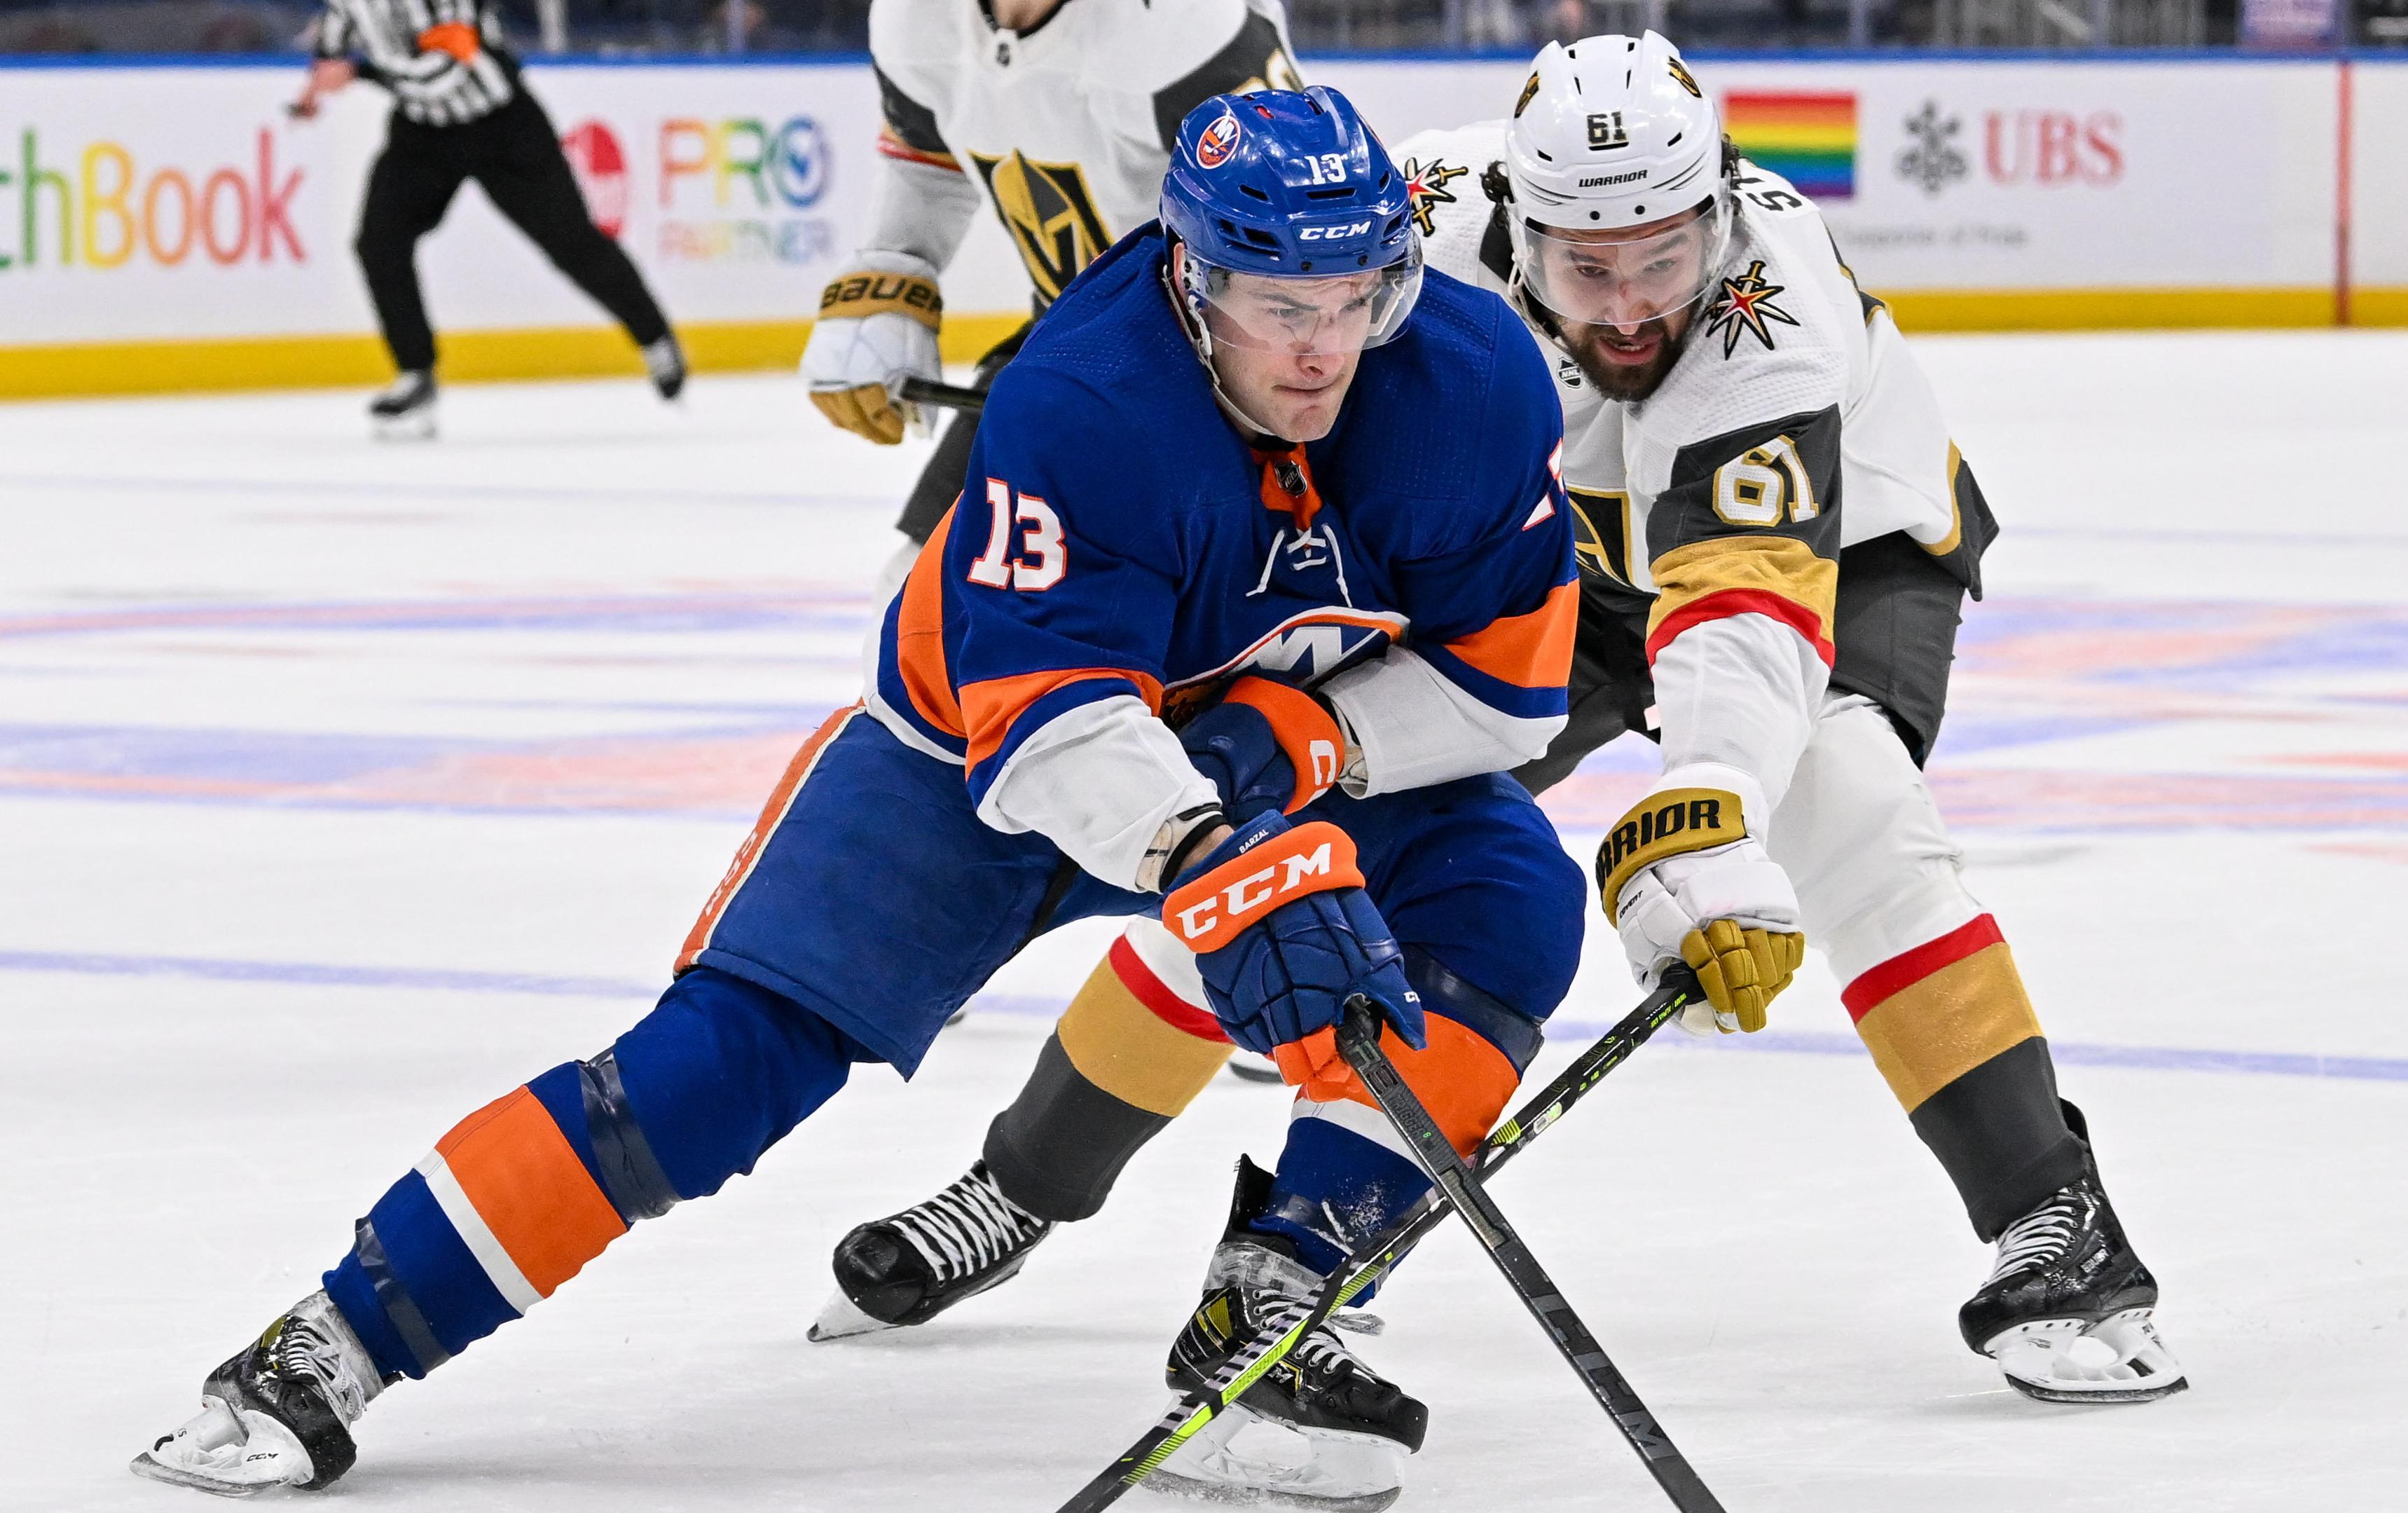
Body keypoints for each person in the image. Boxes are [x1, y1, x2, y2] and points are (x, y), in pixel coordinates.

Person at [129, 87, 1579, 1507]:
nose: (1324, 348)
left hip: (1261, 748)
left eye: (1354, 298)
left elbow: (1510, 686)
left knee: (1506, 898)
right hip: (969, 761)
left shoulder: (1467, 378)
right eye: (1279, 304)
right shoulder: (1085, 396)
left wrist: (1288, 750)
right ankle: (336, 1335)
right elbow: (1052, 730)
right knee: (711, 1072)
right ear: (1192, 280)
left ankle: (1269, 1306)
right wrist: (1219, 845)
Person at [813, 32, 2189, 1456]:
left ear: (1721, 205)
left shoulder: (1771, 305)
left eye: (1667, 257)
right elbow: (1190, 342)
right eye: (1588, 268)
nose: (1633, 306)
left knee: (1849, 803)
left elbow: (1740, 602)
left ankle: (2055, 1218)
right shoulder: (1408, 215)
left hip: (1836, 547)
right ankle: (1022, 1182)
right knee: (1298, 847)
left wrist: (1708, 799)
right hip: (1536, 563)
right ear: (1511, 229)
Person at [801, 0, 1300, 573]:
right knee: (916, 589)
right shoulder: (915, 16)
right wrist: (895, 265)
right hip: (1067, 338)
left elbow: (1296, 231)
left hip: (1220, 368)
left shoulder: (1180, 21)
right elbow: (927, 148)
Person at [291, 0, 684, 440]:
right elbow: (336, 34)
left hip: (503, 129)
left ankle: (654, 337)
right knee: (379, 243)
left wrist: (361, 74)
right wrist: (313, 88)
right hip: (423, 134)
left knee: (570, 243)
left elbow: (449, 67)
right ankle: (415, 374)